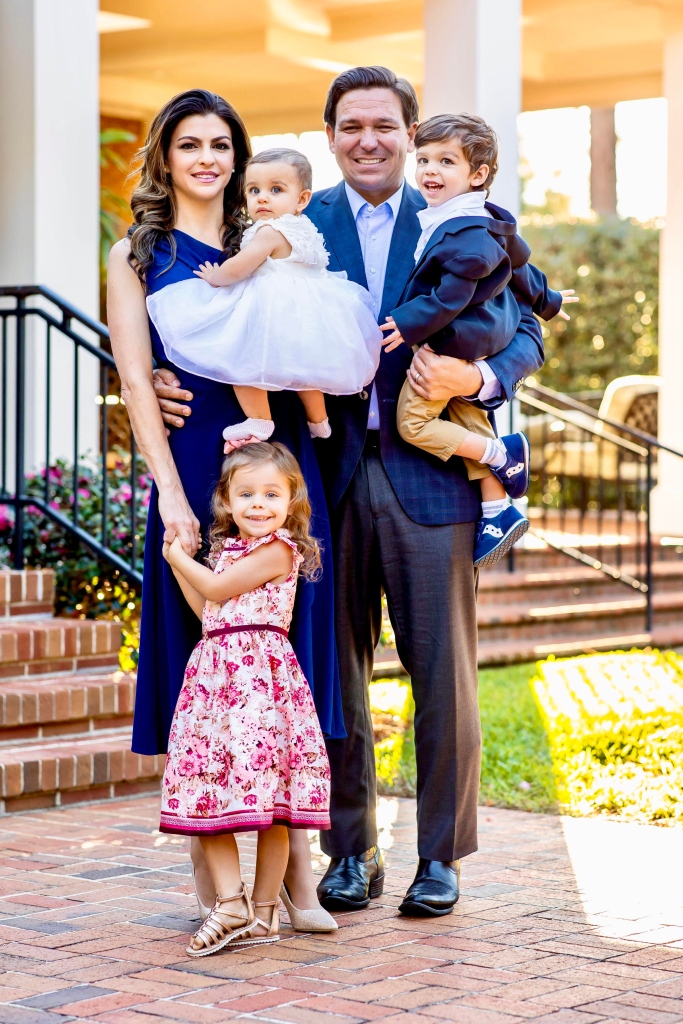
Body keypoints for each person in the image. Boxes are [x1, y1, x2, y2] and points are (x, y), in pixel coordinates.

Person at [153, 67, 546, 919]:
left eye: (384, 126)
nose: (367, 139)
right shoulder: (294, 212)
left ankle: (438, 856)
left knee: (441, 671)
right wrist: (158, 376)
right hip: (319, 477)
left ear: (409, 135)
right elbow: (230, 318)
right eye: (350, 126)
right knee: (333, 672)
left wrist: (481, 375)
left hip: (428, 476)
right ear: (329, 135)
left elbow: (529, 322)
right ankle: (349, 849)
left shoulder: (453, 210)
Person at [107, 89, 339, 933]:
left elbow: (310, 334)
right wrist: (169, 490)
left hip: (275, 462)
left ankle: (298, 883)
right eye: (188, 144)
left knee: (292, 667)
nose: (206, 158)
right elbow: (137, 376)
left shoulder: (270, 234)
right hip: (194, 459)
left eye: (219, 145)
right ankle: (213, 885)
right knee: (197, 670)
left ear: (239, 159)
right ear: (165, 157)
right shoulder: (137, 251)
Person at [381, 113, 578, 567]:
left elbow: (453, 294)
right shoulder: (480, 216)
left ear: (478, 174)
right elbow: (521, 266)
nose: (430, 170)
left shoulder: (465, 232)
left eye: (446, 161)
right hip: (475, 337)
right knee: (467, 420)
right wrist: (548, 299)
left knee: (414, 425)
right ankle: (497, 509)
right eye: (425, 159)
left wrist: (409, 322)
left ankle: (501, 452)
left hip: (454, 344)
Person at [160, 442, 332, 956]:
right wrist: (183, 568)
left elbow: (214, 590)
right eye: (247, 494)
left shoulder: (280, 549)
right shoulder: (226, 554)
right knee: (206, 784)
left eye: (271, 494)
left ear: (291, 500)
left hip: (260, 683)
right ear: (227, 501)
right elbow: (207, 607)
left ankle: (264, 912)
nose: (259, 504)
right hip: (216, 678)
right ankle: (232, 902)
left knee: (275, 803)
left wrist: (174, 555)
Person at [146, 147, 382, 446]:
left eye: (275, 190)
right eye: (254, 190)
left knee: (242, 365)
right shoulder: (305, 229)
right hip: (307, 318)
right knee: (308, 374)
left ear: (302, 199)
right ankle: (319, 421)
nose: (263, 198)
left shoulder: (269, 231)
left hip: (273, 313)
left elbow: (242, 266)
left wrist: (215, 277)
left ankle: (259, 419)